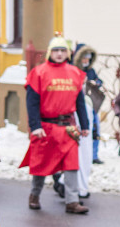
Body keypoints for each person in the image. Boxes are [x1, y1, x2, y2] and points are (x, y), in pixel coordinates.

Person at [20, 36, 90, 214]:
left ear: (68, 53)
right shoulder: (39, 73)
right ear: (50, 52)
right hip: (46, 127)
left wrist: (85, 125)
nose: (59, 54)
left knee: (71, 165)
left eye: (63, 50)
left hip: (67, 128)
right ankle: (35, 195)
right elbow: (32, 103)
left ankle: (72, 201)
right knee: (41, 164)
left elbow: (80, 103)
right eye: (56, 50)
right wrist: (35, 126)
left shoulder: (75, 73)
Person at [73, 44, 104, 165]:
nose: (86, 61)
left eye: (89, 58)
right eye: (84, 58)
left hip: (91, 104)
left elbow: (99, 81)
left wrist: (95, 82)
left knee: (95, 129)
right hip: (78, 105)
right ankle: (80, 154)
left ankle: (94, 155)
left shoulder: (91, 71)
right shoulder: (73, 69)